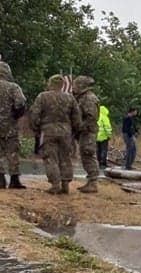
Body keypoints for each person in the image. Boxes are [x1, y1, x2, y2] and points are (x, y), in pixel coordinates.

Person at [28, 75, 82, 195]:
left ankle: (55, 184)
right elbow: (77, 117)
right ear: (62, 84)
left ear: (50, 83)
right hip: (66, 131)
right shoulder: (70, 98)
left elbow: (34, 114)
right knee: (65, 157)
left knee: (50, 157)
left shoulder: (43, 96)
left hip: (48, 131)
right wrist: (75, 130)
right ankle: (65, 183)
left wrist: (36, 128)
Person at [71, 76, 100, 193]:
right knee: (85, 155)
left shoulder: (88, 98)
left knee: (88, 155)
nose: (73, 87)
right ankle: (91, 181)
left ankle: (93, 182)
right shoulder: (83, 97)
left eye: (75, 85)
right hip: (85, 131)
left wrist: (80, 127)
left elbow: (91, 116)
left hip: (88, 132)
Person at [0, 62, 27, 190]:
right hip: (10, 124)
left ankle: (0, 179)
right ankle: (14, 180)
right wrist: (16, 115)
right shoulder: (13, 87)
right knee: (12, 152)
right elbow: (21, 102)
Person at [96, 104, 112, 170]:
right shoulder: (105, 117)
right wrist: (109, 135)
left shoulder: (97, 117)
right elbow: (107, 127)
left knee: (98, 150)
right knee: (104, 150)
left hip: (96, 136)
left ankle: (99, 162)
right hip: (104, 136)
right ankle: (103, 163)